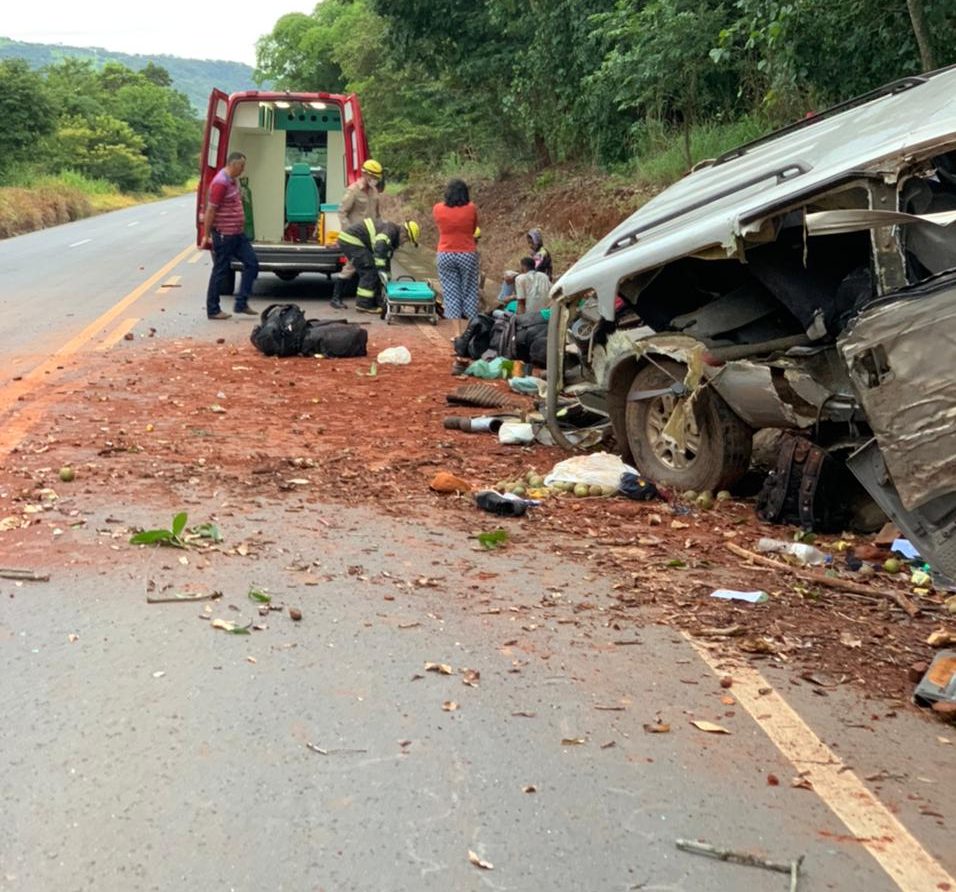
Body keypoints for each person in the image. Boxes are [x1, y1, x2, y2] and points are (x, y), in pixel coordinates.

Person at [203, 151, 259, 319]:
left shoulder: (232, 181)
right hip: (224, 235)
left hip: (238, 234)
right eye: (242, 166)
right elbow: (211, 209)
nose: (243, 169)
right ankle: (213, 309)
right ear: (233, 164)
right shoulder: (221, 182)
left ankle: (241, 302)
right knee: (220, 270)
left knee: (252, 263)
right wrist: (207, 235)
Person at [332, 217, 420, 313]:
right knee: (369, 270)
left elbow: (386, 258)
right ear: (405, 234)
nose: (404, 243)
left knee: (351, 269)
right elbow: (380, 248)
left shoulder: (393, 234)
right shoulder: (390, 232)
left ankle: (337, 299)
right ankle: (363, 305)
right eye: (406, 240)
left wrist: (387, 276)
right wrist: (381, 269)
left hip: (354, 240)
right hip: (352, 240)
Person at [433, 179, 480, 335]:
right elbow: (474, 229)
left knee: (451, 293)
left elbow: (439, 226)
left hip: (445, 253)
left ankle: (457, 334)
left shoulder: (438, 209)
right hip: (467, 253)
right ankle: (470, 332)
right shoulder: (471, 208)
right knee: (470, 291)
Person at [339, 159, 383, 227]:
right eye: (373, 176)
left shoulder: (374, 191)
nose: (375, 179)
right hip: (355, 234)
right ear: (364, 174)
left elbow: (377, 214)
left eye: (377, 178)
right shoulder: (353, 190)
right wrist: (349, 230)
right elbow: (342, 212)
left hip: (370, 233)